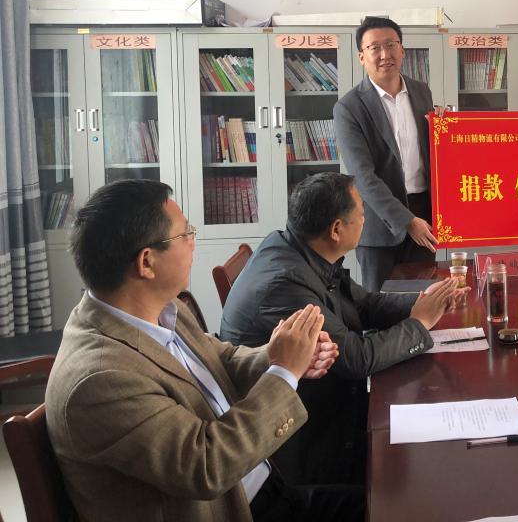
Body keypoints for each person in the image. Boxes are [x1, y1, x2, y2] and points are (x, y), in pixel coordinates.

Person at [45, 179, 349, 522]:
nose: (193, 242)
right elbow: (205, 465)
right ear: (147, 262)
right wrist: (283, 373)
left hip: (265, 487)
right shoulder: (100, 379)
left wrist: (275, 355)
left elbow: (220, 360)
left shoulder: (163, 308)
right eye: (185, 234)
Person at [220, 172, 463, 485]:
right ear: (336, 229)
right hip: (305, 442)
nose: (365, 220)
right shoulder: (285, 284)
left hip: (327, 406)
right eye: (361, 214)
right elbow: (355, 358)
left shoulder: (297, 248)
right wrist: (420, 323)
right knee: (423, 471)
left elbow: (362, 304)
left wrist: (423, 302)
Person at [334, 16, 439, 291]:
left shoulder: (421, 92)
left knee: (424, 301)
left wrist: (444, 128)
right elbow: (363, 177)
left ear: (402, 50)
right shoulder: (349, 108)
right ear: (362, 57)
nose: (385, 54)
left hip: (424, 216)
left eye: (391, 45)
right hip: (379, 227)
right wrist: (407, 221)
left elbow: (433, 153)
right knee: (380, 305)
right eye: (375, 48)